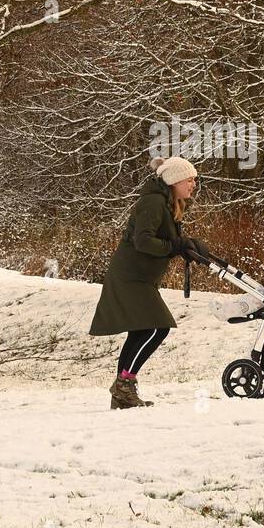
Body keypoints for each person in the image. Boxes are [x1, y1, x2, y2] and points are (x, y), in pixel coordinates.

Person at [89, 156, 206, 409]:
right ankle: (123, 385)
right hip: (131, 276)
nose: (193, 184)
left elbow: (163, 241)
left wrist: (183, 246)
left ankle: (123, 393)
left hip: (141, 277)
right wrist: (174, 246)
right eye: (190, 179)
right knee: (157, 327)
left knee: (143, 329)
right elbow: (143, 241)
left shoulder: (167, 203)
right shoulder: (153, 202)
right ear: (174, 181)